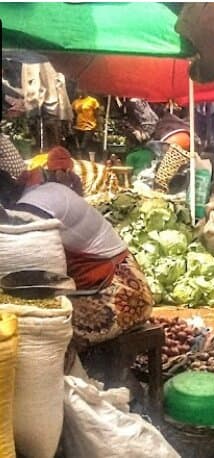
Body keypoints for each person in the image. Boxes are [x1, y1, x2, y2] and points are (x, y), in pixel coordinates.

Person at [0, 167, 153, 344]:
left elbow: (19, 263)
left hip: (122, 297)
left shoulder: (36, 205)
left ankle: (81, 372)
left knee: (39, 333)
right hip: (94, 288)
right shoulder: (44, 193)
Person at [71, 92, 100, 160]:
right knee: (78, 147)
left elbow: (97, 113)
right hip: (78, 127)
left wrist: (98, 125)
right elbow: (73, 114)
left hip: (89, 127)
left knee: (84, 146)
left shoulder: (92, 101)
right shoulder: (76, 102)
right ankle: (81, 160)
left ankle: (86, 160)